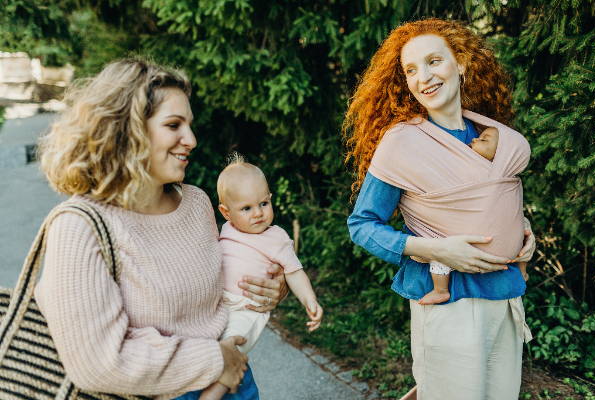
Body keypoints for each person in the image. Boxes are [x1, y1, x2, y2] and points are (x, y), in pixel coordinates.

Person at [34, 58, 288, 400]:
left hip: (235, 381)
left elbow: (223, 279)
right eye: (173, 125)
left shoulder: (196, 203)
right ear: (126, 130)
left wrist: (271, 284)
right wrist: (215, 360)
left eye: (189, 125)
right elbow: (97, 363)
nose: (192, 140)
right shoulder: (79, 226)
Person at [344, 19, 536, 400]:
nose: (424, 77)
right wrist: (436, 250)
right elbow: (362, 225)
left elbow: (494, 199)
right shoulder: (402, 144)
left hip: (505, 293)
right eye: (411, 70)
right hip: (450, 301)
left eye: (434, 61)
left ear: (461, 63)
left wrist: (522, 230)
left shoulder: (490, 137)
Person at [199, 155, 323, 400]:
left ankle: (214, 393)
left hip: (248, 307)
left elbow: (294, 272)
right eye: (246, 208)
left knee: (233, 344)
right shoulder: (225, 229)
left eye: (263, 204)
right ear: (226, 212)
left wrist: (310, 301)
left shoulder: (276, 237)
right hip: (217, 301)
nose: (257, 213)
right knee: (208, 348)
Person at [416, 127, 529, 305]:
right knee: (441, 252)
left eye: (484, 140)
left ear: (503, 155)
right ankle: (441, 290)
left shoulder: (508, 179)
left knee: (521, 234)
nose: (475, 140)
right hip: (468, 243)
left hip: (499, 244)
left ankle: (441, 289)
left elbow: (512, 209)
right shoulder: (465, 168)